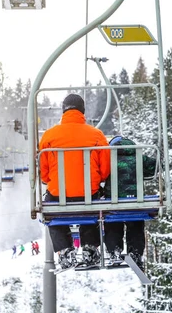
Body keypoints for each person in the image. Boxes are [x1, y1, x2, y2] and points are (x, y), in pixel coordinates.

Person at [39, 93, 111, 269]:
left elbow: (44, 174)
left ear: (63, 111)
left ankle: (64, 250)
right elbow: (105, 171)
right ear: (83, 112)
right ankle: (90, 248)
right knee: (91, 208)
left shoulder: (49, 136)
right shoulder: (97, 135)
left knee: (50, 211)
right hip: (89, 195)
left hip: (58, 196)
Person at [103, 136, 156, 271]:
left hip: (112, 202)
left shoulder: (107, 158)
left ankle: (114, 250)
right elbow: (154, 167)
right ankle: (136, 253)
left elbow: (100, 173)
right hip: (134, 201)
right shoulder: (138, 157)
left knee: (112, 223)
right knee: (136, 223)